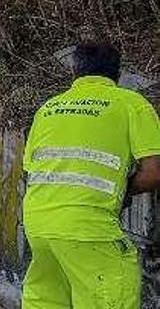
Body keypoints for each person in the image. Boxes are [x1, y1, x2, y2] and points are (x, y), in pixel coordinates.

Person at [21, 41, 160, 308]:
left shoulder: (49, 108)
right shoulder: (130, 103)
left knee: (47, 299)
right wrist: (126, 189)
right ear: (117, 74)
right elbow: (154, 172)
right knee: (110, 294)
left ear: (75, 71)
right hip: (88, 228)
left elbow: (32, 169)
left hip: (38, 224)